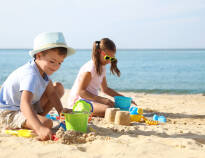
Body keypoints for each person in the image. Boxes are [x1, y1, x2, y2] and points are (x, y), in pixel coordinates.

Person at [0, 32, 75, 140]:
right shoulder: (30, 74)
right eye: (52, 61)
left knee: (58, 88)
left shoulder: (43, 71)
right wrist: (39, 128)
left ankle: (34, 120)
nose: (56, 67)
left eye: (60, 63)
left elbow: (52, 94)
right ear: (39, 56)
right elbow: (24, 103)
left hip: (27, 107)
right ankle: (30, 123)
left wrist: (61, 113)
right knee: (47, 123)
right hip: (9, 113)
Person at [67, 38, 136, 116]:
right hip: (79, 102)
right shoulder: (90, 68)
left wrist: (125, 99)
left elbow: (105, 89)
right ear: (99, 52)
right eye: (107, 58)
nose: (109, 61)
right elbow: (81, 92)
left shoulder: (102, 68)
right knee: (110, 110)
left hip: (91, 100)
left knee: (113, 107)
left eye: (112, 59)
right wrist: (102, 100)